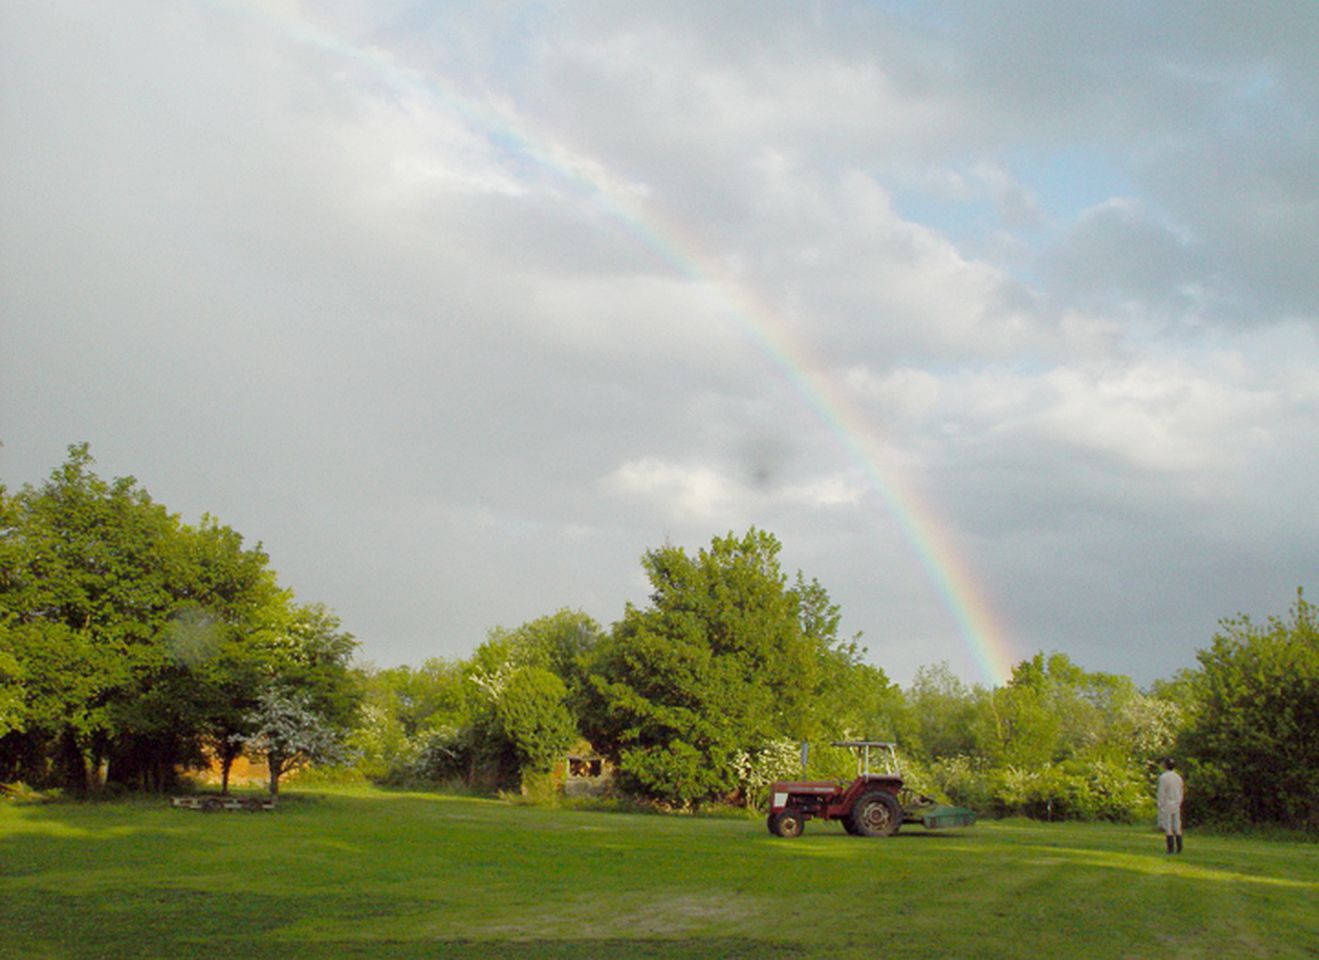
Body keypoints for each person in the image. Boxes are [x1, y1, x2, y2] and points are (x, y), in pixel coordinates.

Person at [1157, 758, 1185, 854]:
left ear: (1165, 765)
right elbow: (1181, 791)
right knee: (1177, 826)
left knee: (1168, 827)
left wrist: (1160, 804)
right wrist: (1179, 801)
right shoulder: (1178, 777)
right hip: (1177, 803)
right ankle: (1179, 846)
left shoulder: (1163, 777)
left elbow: (1161, 792)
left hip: (1167, 803)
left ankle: (1170, 848)